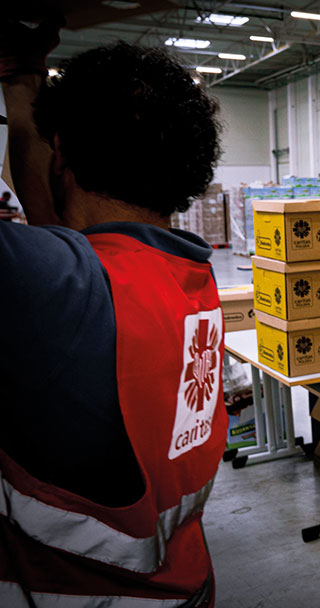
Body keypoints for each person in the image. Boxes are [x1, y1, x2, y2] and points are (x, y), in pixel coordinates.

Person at [0, 20, 226, 607]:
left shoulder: (54, 289)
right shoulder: (186, 277)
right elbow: (57, 221)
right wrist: (21, 77)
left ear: (63, 157)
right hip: (185, 587)